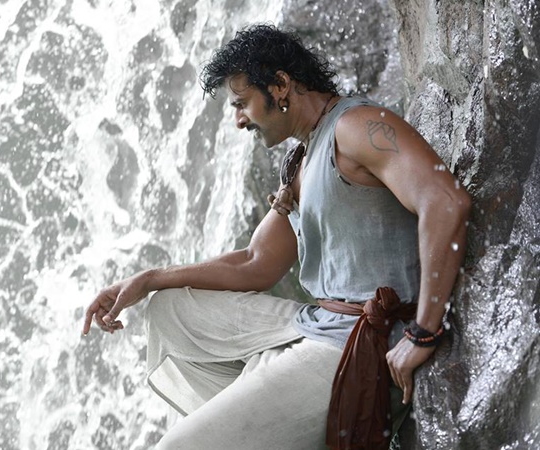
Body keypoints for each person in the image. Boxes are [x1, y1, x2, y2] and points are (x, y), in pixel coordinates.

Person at [82, 24, 471, 450]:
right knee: (168, 309)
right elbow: (256, 262)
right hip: (319, 324)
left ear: (281, 85)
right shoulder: (301, 160)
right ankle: (261, 414)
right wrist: (148, 279)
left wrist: (423, 333)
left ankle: (254, 416)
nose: (238, 120)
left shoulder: (356, 127)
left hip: (358, 346)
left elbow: (445, 201)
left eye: (241, 103)